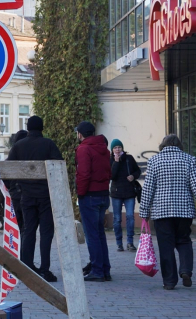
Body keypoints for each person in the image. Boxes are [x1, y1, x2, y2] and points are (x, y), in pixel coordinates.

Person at [140, 134, 196, 290]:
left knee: (166, 246)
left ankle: (169, 282)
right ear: (179, 145)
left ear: (163, 145)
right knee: (183, 240)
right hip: (184, 210)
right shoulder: (188, 159)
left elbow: (148, 189)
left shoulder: (154, 161)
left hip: (161, 211)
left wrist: (144, 211)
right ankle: (185, 271)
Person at [6, 116, 62, 282]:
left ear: (28, 128)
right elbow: (59, 167)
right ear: (42, 127)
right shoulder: (49, 144)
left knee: (28, 230)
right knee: (46, 233)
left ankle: (26, 267)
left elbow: (9, 169)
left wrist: (13, 189)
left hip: (26, 195)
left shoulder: (18, 146)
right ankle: (45, 269)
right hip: (46, 195)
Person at [75, 121, 112, 282]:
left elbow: (83, 174)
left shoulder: (84, 149)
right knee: (99, 233)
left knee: (92, 235)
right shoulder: (104, 148)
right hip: (104, 194)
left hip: (90, 195)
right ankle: (105, 269)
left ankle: (97, 270)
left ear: (80, 134)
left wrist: (80, 194)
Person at [109, 139, 141, 252]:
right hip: (116, 192)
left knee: (130, 217)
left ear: (122, 148)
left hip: (129, 192)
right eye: (115, 148)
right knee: (117, 219)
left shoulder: (129, 158)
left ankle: (130, 242)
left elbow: (138, 171)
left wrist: (133, 176)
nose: (117, 149)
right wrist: (116, 162)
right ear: (112, 150)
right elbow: (112, 176)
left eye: (119, 147)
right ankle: (119, 243)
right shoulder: (110, 160)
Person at [5, 130, 28, 236]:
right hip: (28, 195)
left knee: (16, 226)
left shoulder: (12, 156)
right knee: (27, 227)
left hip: (15, 195)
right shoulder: (29, 156)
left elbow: (5, 179)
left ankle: (17, 251)